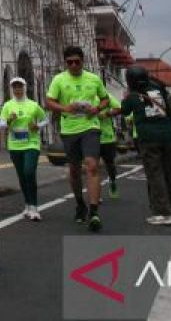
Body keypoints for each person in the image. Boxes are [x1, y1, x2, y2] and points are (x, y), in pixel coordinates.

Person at [45, 45, 110, 231]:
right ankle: (80, 204)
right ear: (65, 63)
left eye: (77, 62)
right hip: (69, 129)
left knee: (91, 165)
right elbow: (49, 102)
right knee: (74, 170)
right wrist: (65, 108)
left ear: (83, 61)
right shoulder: (59, 79)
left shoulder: (93, 79)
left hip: (90, 127)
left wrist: (97, 109)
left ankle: (94, 211)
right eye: (69, 62)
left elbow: (105, 99)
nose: (73, 65)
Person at [121, 67, 171, 225]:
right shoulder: (159, 88)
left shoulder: (133, 95)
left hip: (149, 139)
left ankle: (163, 212)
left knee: (155, 175)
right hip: (169, 135)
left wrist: (126, 96)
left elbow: (124, 111)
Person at [0, 76, 48, 221]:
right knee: (22, 175)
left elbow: (45, 119)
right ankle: (27, 205)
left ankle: (34, 207)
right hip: (14, 145)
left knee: (29, 171)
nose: (17, 90)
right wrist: (9, 120)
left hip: (31, 143)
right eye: (15, 87)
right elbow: (2, 125)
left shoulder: (33, 105)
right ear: (12, 89)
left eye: (20, 87)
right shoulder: (8, 105)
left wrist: (37, 126)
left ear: (24, 88)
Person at [98, 87, 122, 199]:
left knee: (109, 163)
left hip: (106, 137)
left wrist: (106, 114)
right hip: (90, 136)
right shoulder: (85, 96)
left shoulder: (106, 96)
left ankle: (112, 182)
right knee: (92, 165)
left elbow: (118, 108)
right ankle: (96, 192)